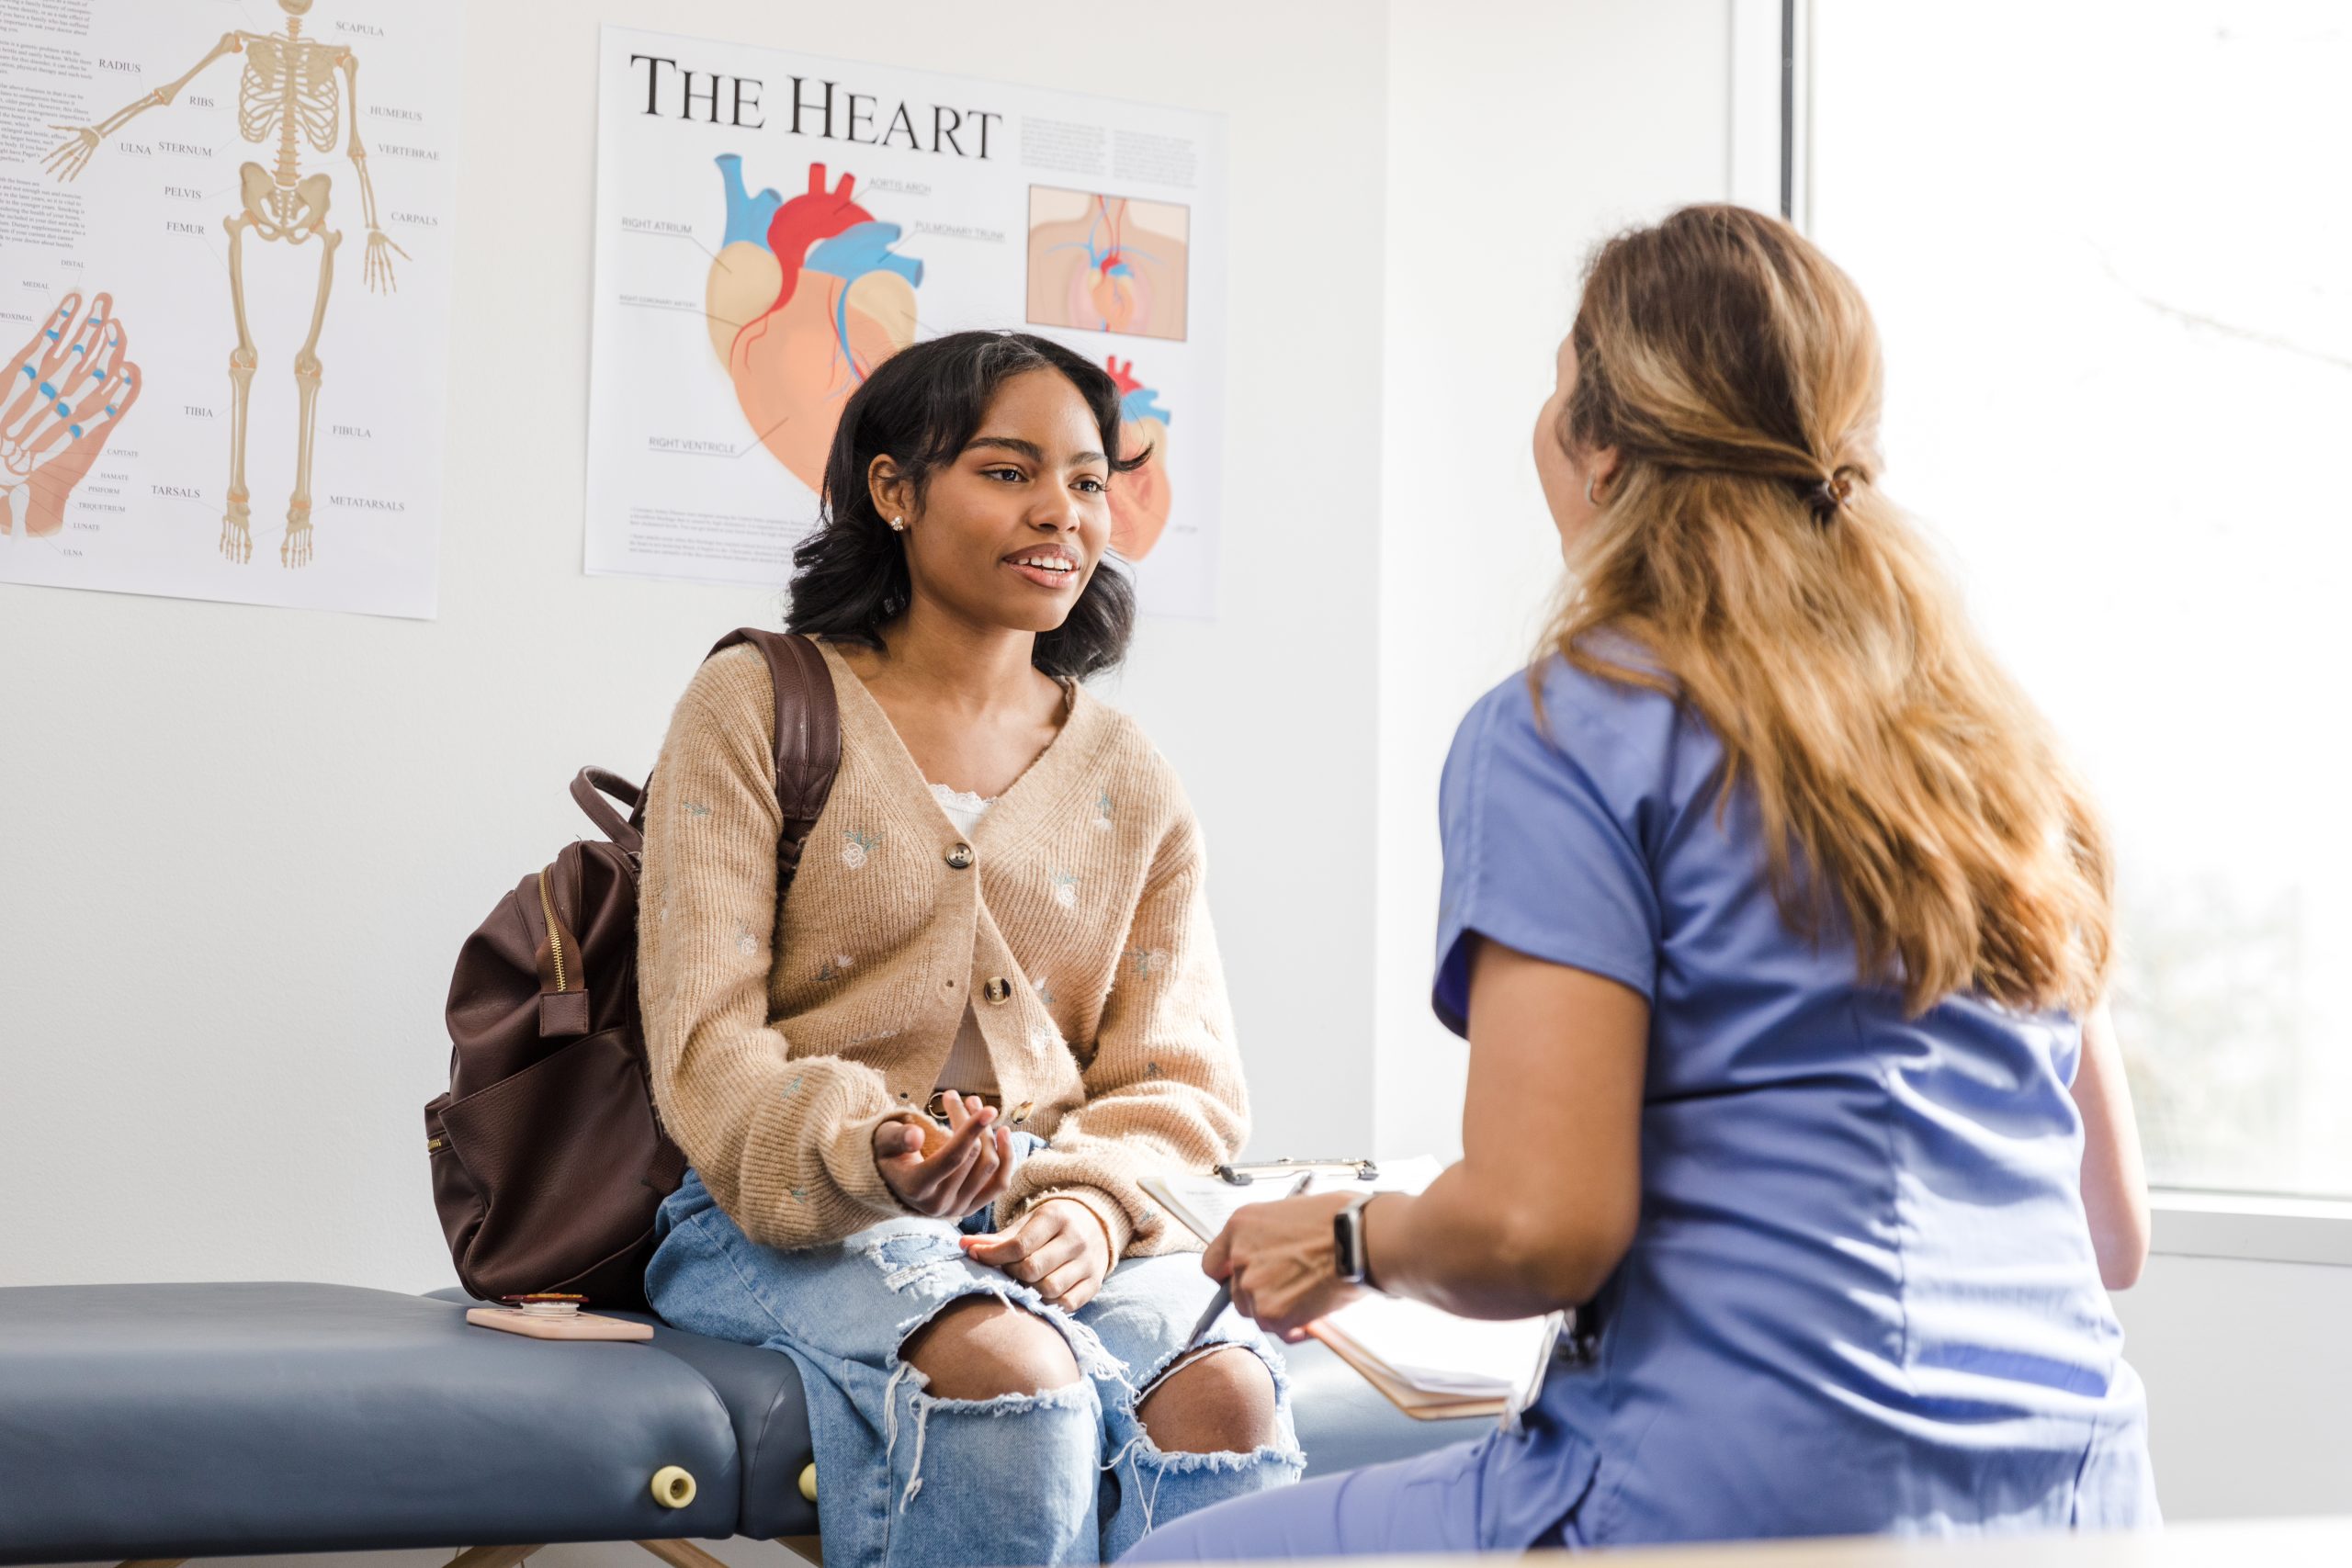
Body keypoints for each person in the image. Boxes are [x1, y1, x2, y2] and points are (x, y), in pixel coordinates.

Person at [1126, 205, 2159, 1557]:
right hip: (2078, 1502)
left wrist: (1351, 1236)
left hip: (1737, 1495)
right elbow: (2111, 1234)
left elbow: (1540, 1227)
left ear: (1601, 448)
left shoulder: (1569, 726)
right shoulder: (2004, 753)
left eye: (1557, 390)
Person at [636, 330, 1302, 1568]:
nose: (1061, 511)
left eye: (1089, 481)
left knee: (1226, 1394)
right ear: (894, 490)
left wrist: (1093, 1204)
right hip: (783, 1217)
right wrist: (869, 1154)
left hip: (1054, 1212)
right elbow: (705, 1044)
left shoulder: (1131, 776)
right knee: (1013, 1369)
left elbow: (1182, 1084)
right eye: (1008, 472)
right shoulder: (756, 704)